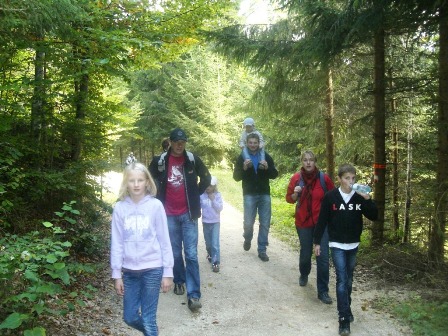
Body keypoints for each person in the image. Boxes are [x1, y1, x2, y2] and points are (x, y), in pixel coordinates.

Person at [149, 127, 211, 311]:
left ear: (185, 142)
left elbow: (206, 178)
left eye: (182, 141)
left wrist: (196, 193)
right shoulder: (160, 161)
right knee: (175, 252)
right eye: (176, 141)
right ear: (171, 141)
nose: (179, 145)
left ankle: (194, 295)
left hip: (188, 214)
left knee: (191, 254)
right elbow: (148, 179)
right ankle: (178, 279)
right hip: (168, 215)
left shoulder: (192, 160)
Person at [313, 164, 378, 336]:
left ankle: (346, 307)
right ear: (340, 179)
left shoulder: (358, 197)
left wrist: (367, 199)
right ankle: (343, 319)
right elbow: (322, 220)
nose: (350, 182)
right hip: (336, 244)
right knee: (342, 280)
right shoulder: (331, 197)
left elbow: (374, 215)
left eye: (353, 178)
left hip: (353, 244)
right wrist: (317, 242)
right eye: (347, 178)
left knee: (349, 280)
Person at [110, 162, 174, 335]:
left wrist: (168, 272)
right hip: (130, 271)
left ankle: (151, 330)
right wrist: (116, 274)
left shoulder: (155, 206)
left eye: (140, 180)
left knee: (148, 318)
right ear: (126, 183)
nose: (136, 184)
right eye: (132, 181)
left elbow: (164, 240)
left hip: (152, 268)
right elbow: (116, 243)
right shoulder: (120, 208)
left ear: (147, 182)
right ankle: (152, 332)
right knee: (129, 317)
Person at [285, 150, 335, 305]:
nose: (308, 163)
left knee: (323, 257)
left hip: (322, 224)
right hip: (303, 223)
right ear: (302, 162)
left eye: (311, 160)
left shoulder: (323, 178)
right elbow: (289, 199)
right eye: (305, 160)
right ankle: (304, 273)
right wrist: (295, 194)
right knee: (306, 254)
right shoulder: (296, 179)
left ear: (315, 162)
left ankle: (323, 291)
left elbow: (333, 198)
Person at [233, 132, 278, 262]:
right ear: (247, 144)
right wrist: (244, 168)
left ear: (259, 144)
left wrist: (268, 168)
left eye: (255, 143)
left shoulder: (265, 156)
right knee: (248, 222)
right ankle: (248, 237)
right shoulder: (242, 157)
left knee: (265, 223)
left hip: (264, 194)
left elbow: (274, 174)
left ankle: (262, 250)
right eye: (250, 143)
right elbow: (236, 177)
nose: (253, 145)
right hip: (249, 194)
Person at [200, 176, 223, 273]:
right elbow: (198, 206)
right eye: (206, 185)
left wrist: (213, 199)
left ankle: (215, 262)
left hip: (215, 222)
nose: (208, 187)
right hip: (205, 222)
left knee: (214, 243)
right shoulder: (201, 195)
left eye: (210, 186)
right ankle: (209, 253)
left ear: (214, 186)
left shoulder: (217, 195)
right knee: (208, 243)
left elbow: (220, 208)